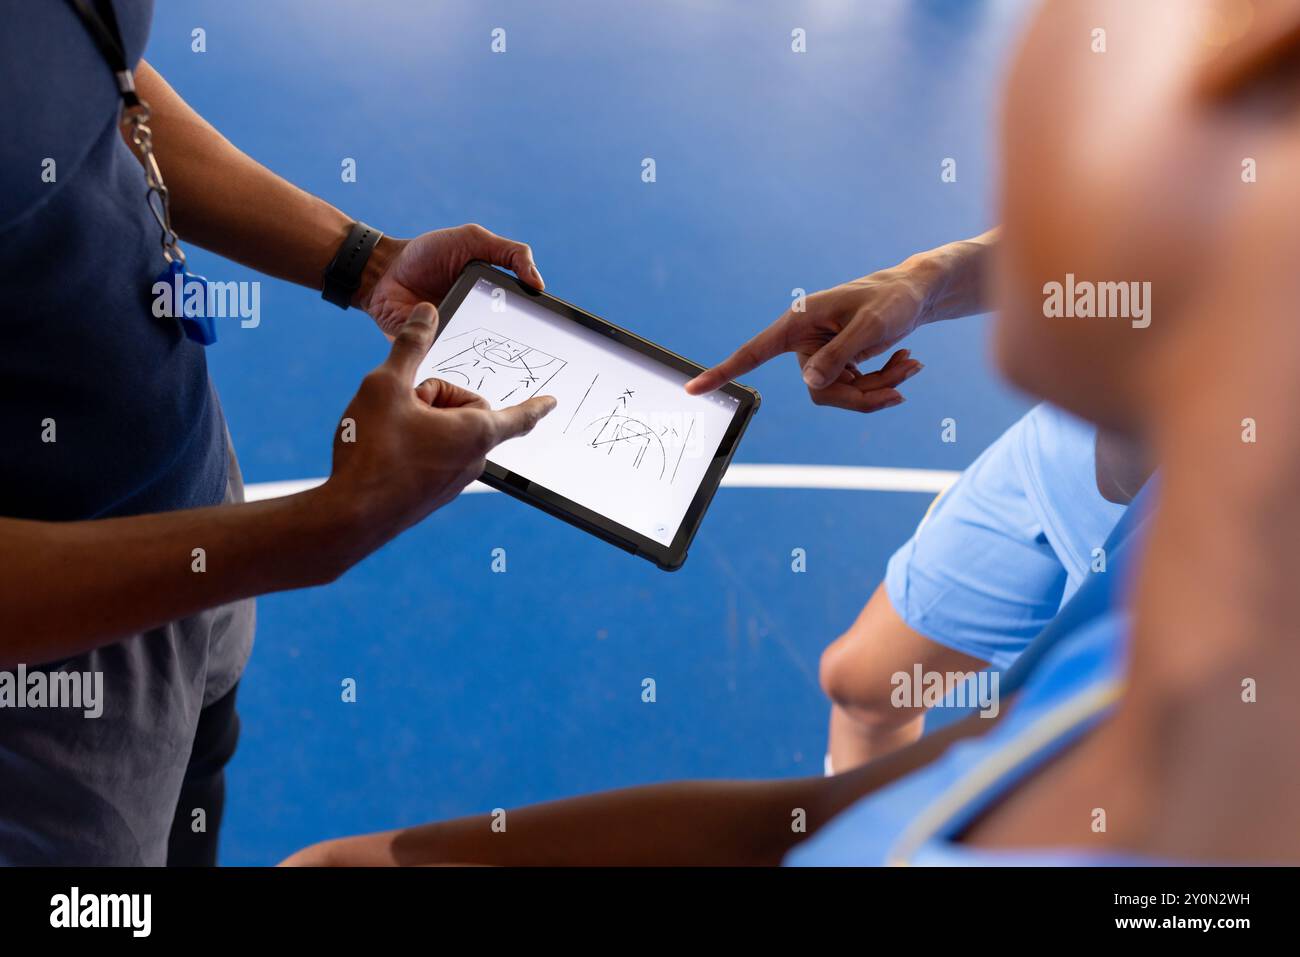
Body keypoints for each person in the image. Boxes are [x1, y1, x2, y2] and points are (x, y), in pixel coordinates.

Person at [282, 0, 1300, 866]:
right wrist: (931, 278)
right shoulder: (1171, 637)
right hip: (1105, 461)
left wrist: (328, 532)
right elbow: (836, 820)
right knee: (863, 681)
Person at [0, 1, 554, 865]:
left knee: (198, 787)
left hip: (191, 511)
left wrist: (363, 261)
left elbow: (89, 85)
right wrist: (319, 531)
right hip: (52, 681)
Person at [686, 234, 1149, 770]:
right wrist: (923, 281)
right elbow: (1116, 245)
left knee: (1062, 790)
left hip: (1191, 555)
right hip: (1064, 451)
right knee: (862, 687)